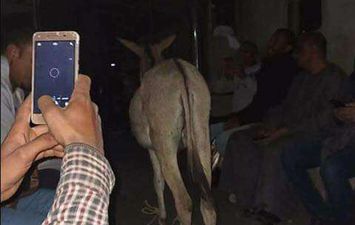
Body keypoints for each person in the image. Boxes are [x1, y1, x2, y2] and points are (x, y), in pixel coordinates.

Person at [219, 31, 347, 221]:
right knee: (240, 139)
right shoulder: (301, 79)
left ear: (312, 52)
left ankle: (270, 209)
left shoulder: (334, 78)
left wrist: (284, 131)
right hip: (287, 128)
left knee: (276, 149)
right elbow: (283, 107)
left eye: (300, 51)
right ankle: (240, 198)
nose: (296, 56)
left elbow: (325, 119)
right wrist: (269, 125)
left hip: (315, 135)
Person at [1, 75, 115, 224]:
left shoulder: (18, 91)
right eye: (31, 60)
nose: (34, 69)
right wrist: (86, 155)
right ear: (14, 53)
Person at [224, 28, 298, 129]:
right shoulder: (267, 65)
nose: (270, 44)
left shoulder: (283, 69)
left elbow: (266, 103)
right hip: (250, 116)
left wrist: (241, 119)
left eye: (276, 41)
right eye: (271, 39)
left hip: (267, 122)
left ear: (287, 48)